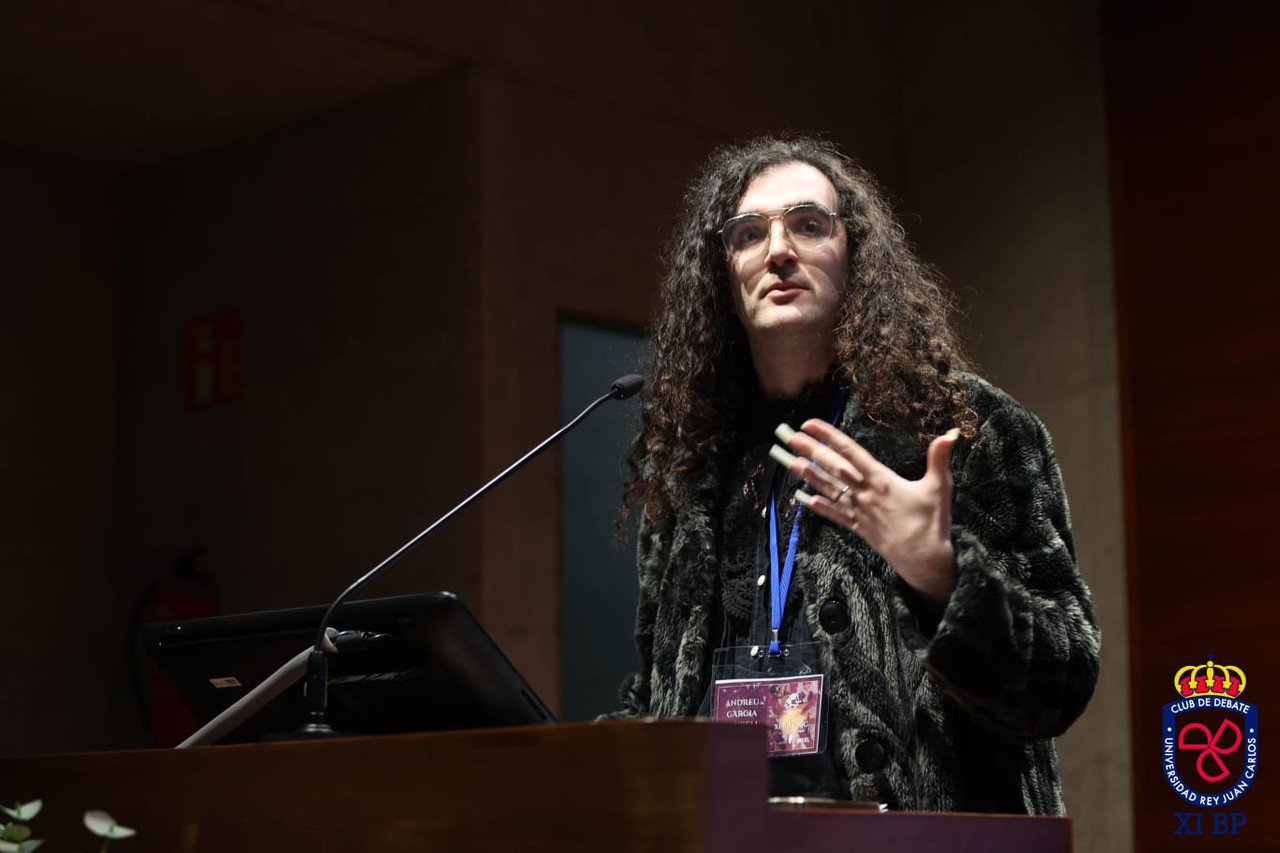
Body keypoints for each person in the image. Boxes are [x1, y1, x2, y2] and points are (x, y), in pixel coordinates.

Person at [610, 134, 1100, 814]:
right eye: (748, 234)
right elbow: (656, 696)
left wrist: (941, 572)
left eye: (809, 224)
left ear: (857, 256)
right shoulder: (692, 468)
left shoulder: (966, 429)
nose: (778, 250)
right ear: (723, 277)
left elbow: (1061, 681)